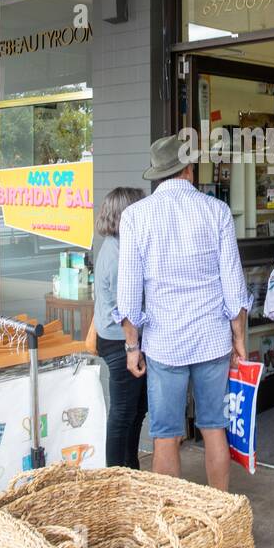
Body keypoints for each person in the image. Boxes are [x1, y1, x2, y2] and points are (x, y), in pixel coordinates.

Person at [115, 135, 251, 491]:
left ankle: (173, 519)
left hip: (164, 342)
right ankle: (220, 514)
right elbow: (234, 289)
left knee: (165, 435)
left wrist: (132, 346)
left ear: (158, 175)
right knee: (213, 427)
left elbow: (129, 294)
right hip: (211, 339)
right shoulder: (216, 211)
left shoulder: (135, 217)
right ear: (188, 170)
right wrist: (239, 341)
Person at [93, 186, 147, 468]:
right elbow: (123, 310)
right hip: (120, 342)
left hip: (119, 340)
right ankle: (116, 472)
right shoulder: (116, 256)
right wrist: (133, 347)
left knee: (136, 409)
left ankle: (129, 465)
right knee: (124, 411)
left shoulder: (118, 246)